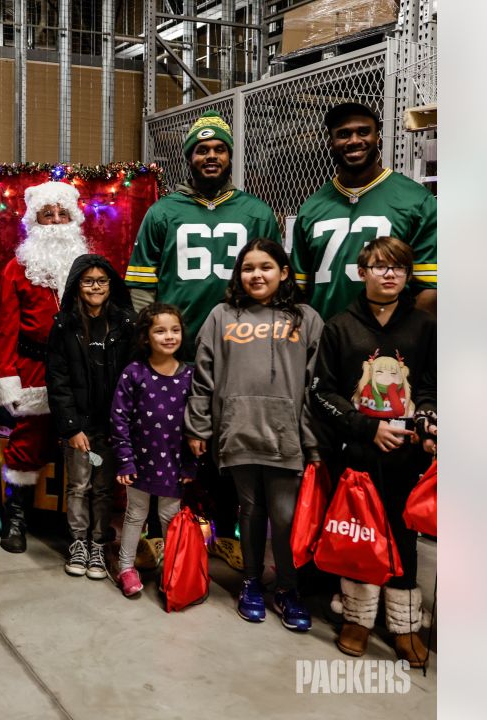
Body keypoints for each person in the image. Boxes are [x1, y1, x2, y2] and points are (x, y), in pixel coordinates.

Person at [125, 110, 280, 565]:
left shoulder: (256, 211)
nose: (210, 156)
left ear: (230, 156)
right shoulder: (163, 212)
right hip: (180, 350)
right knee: (167, 440)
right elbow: (140, 285)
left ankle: (227, 531)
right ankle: (165, 531)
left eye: (218, 149)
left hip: (239, 350)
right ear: (189, 157)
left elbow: (273, 281)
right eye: (201, 149)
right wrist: (156, 339)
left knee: (229, 444)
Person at [308, 236, 436, 667]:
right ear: (362, 273)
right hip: (358, 452)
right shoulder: (340, 326)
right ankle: (358, 618)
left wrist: (428, 420)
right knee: (359, 531)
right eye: (379, 267)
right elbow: (321, 393)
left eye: (397, 267)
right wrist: (367, 428)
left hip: (407, 454)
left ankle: (404, 626)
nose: (388, 274)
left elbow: (430, 387)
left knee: (403, 536)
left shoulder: (424, 326)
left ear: (407, 274)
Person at [185, 238, 323, 632]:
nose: (256, 274)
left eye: (266, 267)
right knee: (250, 511)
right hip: (239, 429)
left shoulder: (306, 318)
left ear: (283, 272)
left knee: (283, 517)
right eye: (248, 268)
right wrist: (199, 425)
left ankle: (287, 586)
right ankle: (250, 582)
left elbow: (317, 382)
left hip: (287, 435)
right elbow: (203, 374)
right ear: (238, 274)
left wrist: (312, 439)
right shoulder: (222, 316)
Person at [0, 180, 96, 553]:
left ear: (74, 218)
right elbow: (6, 328)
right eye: (46, 214)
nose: (55, 221)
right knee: (28, 441)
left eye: (62, 213)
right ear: (34, 221)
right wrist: (7, 377)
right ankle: (17, 518)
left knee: (84, 440)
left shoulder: (88, 266)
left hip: (78, 368)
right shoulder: (17, 268)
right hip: (33, 365)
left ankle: (82, 524)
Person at [291, 102, 438, 320]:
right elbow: (298, 289)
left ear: (378, 137)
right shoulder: (312, 208)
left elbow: (429, 288)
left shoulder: (416, 201)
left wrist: (406, 341)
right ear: (331, 143)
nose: (354, 140)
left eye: (363, 132)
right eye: (343, 134)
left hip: (390, 346)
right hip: (325, 340)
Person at [46, 254, 134, 579]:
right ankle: (78, 543)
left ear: (111, 285)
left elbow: (131, 377)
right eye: (88, 281)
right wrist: (70, 427)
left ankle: (99, 543)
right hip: (80, 429)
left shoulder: (125, 324)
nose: (95, 287)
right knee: (79, 485)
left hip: (110, 428)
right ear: (77, 285)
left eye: (101, 281)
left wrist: (122, 428)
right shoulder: (64, 326)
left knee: (103, 489)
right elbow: (58, 380)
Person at [110, 303, 196, 597]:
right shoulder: (134, 373)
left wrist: (188, 465)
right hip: (139, 461)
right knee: (136, 514)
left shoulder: (190, 376)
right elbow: (119, 419)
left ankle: (172, 572)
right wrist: (124, 462)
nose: (169, 336)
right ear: (146, 337)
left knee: (170, 517)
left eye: (175, 330)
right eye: (160, 331)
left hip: (173, 464)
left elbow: (194, 427)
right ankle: (125, 567)